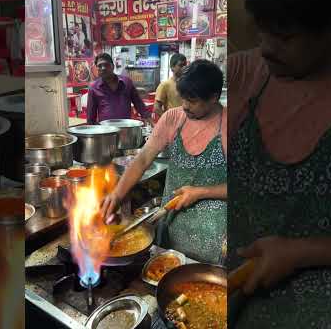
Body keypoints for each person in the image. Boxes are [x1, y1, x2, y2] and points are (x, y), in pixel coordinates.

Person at [228, 0, 331, 327]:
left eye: (285, 36)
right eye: (262, 30)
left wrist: (299, 252)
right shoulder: (245, 73)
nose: (266, 48)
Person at [102, 60, 227, 263]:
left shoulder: (229, 125)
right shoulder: (172, 118)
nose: (185, 106)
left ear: (213, 97)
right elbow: (142, 160)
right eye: (183, 98)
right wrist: (117, 194)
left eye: (193, 101)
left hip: (211, 233)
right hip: (170, 221)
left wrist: (200, 192)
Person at [87, 53, 154, 126]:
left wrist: (149, 119)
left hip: (126, 129)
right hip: (105, 132)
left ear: (112, 66)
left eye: (106, 65)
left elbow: (138, 103)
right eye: (100, 66)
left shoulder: (126, 83)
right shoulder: (94, 88)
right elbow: (91, 117)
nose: (103, 68)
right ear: (97, 69)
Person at [154, 53, 187, 118]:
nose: (184, 68)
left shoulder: (188, 84)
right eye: (181, 65)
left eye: (185, 65)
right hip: (173, 124)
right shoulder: (165, 85)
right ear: (172, 67)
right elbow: (157, 108)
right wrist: (168, 120)